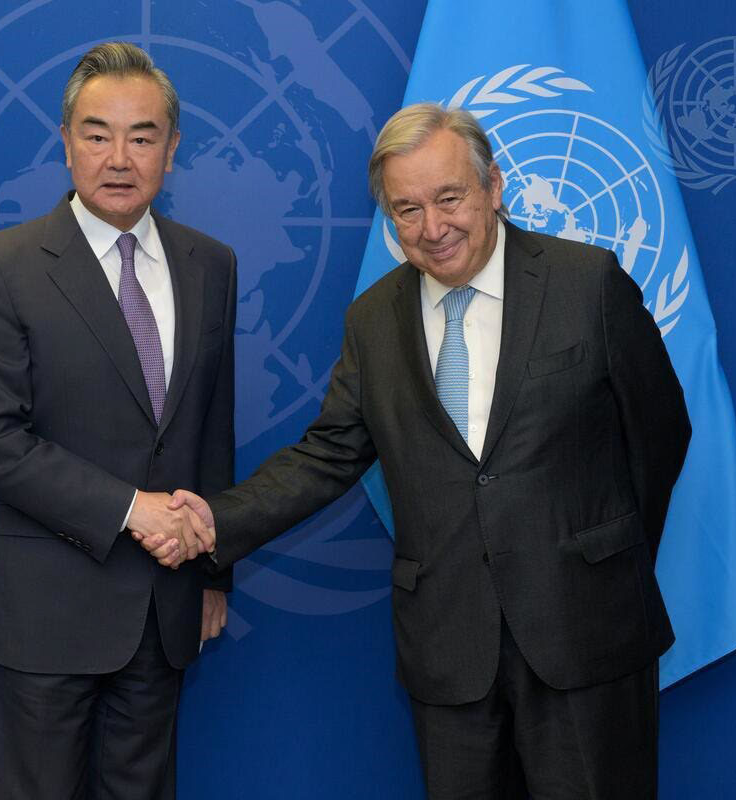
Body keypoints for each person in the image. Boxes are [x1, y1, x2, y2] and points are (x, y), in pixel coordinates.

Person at [142, 104, 691, 798]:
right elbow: (328, 455)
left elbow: (660, 433)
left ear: (493, 186)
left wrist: (600, 556)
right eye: (406, 209)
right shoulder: (373, 321)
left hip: (586, 636)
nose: (432, 229)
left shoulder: (587, 285)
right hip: (449, 651)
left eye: (449, 198)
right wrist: (215, 523)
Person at [0, 42, 234, 800]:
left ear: (171, 152)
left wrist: (214, 571)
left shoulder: (211, 263)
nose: (119, 157)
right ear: (67, 142)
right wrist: (129, 509)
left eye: (142, 136)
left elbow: (210, 426)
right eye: (96, 133)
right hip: (46, 611)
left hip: (163, 608)